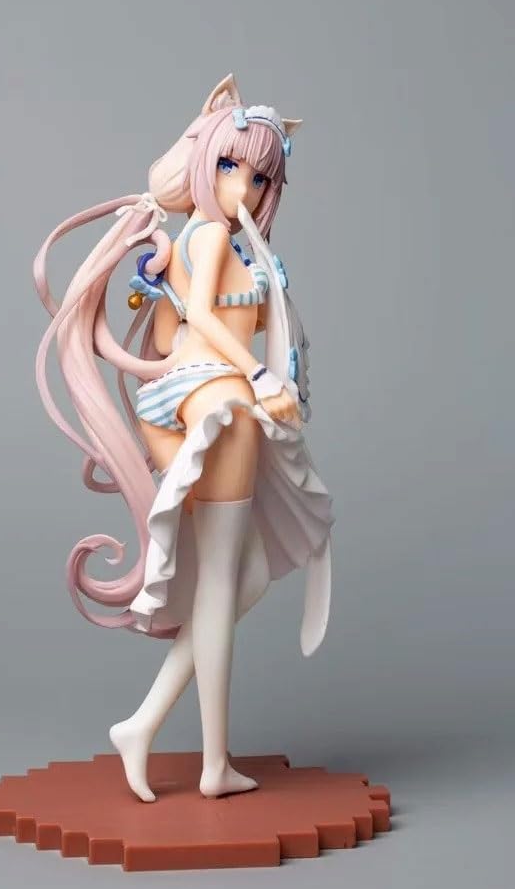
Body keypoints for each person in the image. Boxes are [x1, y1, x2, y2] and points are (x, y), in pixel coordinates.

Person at [34, 74, 334, 802]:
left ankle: (142, 726)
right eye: (229, 165)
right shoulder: (208, 236)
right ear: (203, 162)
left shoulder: (214, 245)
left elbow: (178, 335)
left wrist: (261, 338)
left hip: (204, 398)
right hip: (220, 403)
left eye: (259, 177)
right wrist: (253, 376)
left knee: (244, 578)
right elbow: (197, 321)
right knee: (224, 580)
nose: (242, 186)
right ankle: (212, 765)